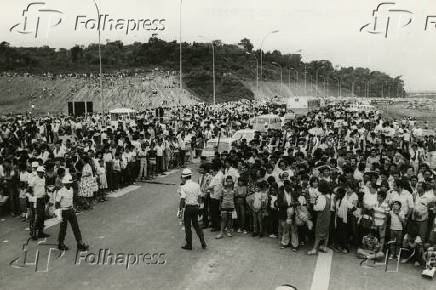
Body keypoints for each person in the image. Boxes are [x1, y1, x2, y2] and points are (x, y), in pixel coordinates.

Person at [55, 173, 89, 251]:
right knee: (63, 229)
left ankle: (79, 243)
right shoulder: (60, 192)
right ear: (65, 183)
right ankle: (61, 243)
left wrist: (75, 207)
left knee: (76, 227)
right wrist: (58, 216)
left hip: (71, 210)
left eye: (70, 183)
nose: (70, 184)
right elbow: (57, 204)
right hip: (63, 211)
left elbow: (72, 199)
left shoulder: (71, 189)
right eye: (68, 183)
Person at [179, 168, 207, 250]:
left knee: (188, 227)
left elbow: (182, 199)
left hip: (188, 208)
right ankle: (203, 242)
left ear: (184, 177)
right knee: (196, 225)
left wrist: (180, 210)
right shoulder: (196, 185)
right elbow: (199, 198)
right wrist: (200, 208)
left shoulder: (183, 187)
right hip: (196, 207)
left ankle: (189, 245)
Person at [27, 166, 49, 240]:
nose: (42, 174)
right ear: (38, 172)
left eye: (43, 173)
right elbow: (29, 189)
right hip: (36, 200)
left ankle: (41, 232)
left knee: (42, 216)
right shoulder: (34, 179)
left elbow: (44, 187)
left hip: (42, 199)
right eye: (41, 173)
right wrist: (32, 198)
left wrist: (46, 193)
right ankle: (33, 233)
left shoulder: (44, 179)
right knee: (37, 217)